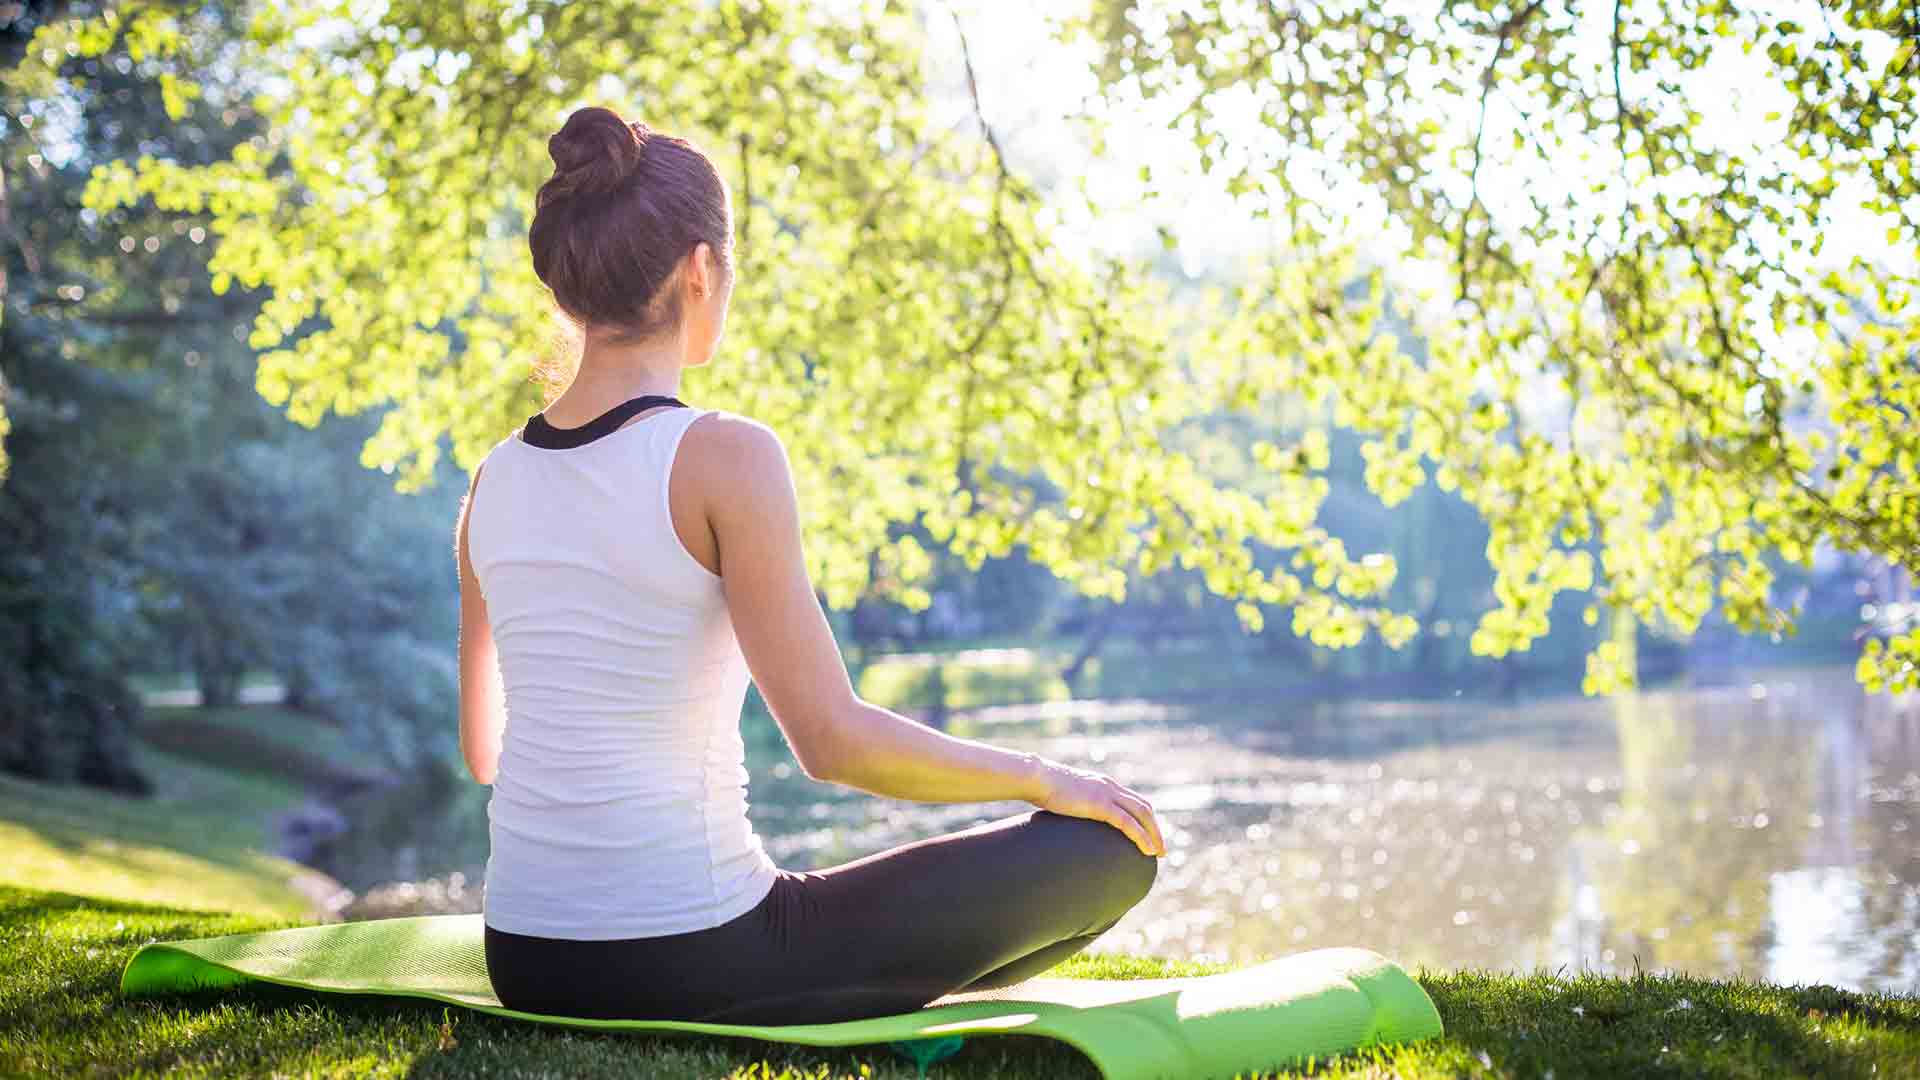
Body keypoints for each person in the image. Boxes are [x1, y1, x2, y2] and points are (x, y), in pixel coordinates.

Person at [453, 104, 1166, 1026]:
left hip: (525, 954)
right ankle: (866, 990)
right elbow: (832, 743)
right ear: (702, 269)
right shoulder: (725, 455)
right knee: (1108, 851)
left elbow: (485, 751)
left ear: (568, 288)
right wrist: (1043, 777)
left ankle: (855, 980)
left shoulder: (494, 479)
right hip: (699, 953)